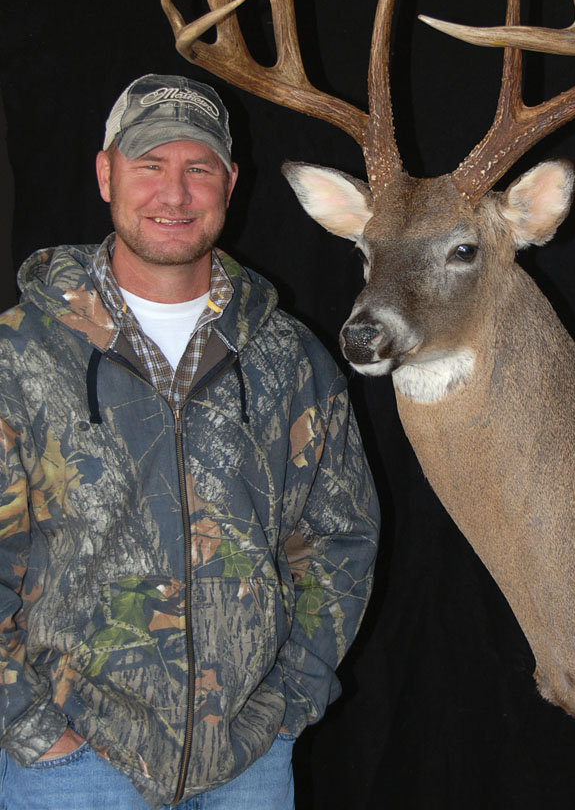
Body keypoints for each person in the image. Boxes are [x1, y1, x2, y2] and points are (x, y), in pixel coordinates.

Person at [0, 74, 380, 809]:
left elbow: (341, 540)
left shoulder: (288, 358)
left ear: (230, 183)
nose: (173, 195)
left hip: (247, 765)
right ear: (106, 173)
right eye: (149, 166)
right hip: (72, 769)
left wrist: (284, 709)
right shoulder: (20, 355)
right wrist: (27, 722)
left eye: (197, 169)